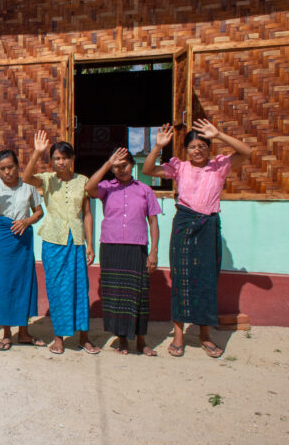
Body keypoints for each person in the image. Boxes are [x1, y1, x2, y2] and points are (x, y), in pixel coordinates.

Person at [143, 119, 251, 358]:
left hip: (208, 227)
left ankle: (204, 336)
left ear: (209, 148)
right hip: (184, 225)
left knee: (206, 281)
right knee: (181, 279)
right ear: (186, 150)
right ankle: (179, 336)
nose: (197, 150)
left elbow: (246, 152)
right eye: (192, 146)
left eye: (202, 145)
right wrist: (158, 146)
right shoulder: (179, 167)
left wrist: (219, 134)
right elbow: (148, 170)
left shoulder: (219, 166)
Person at [22, 131, 99, 355]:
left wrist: (90, 244)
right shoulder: (47, 180)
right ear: (52, 161)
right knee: (57, 288)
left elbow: (87, 214)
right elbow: (26, 178)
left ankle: (84, 337)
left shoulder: (82, 181)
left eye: (64, 158)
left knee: (80, 288)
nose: (61, 162)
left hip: (77, 241)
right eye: (56, 158)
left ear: (72, 159)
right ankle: (59, 337)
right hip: (53, 241)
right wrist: (37, 152)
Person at [86, 148, 161, 356]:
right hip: (111, 247)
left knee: (139, 295)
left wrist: (153, 252)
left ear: (132, 165)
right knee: (116, 295)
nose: (121, 170)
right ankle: (122, 340)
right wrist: (108, 164)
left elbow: (153, 222)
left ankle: (141, 341)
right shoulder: (106, 188)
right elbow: (89, 188)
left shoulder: (145, 190)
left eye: (125, 165)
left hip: (137, 248)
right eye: (117, 167)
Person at [0, 149, 45, 351]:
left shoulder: (28, 186)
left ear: (18, 166)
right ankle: (6, 334)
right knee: (4, 285)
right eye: (2, 168)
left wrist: (27, 221)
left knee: (24, 283)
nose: (7, 172)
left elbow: (39, 212)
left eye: (10, 167)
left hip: (23, 239)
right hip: (1, 238)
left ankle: (23, 332)